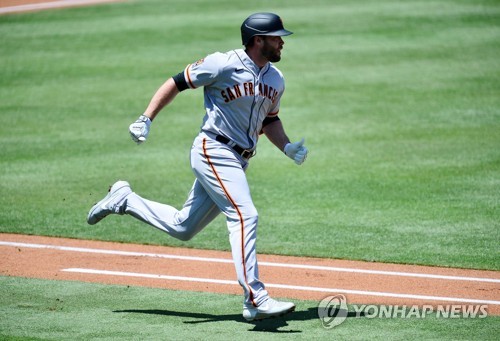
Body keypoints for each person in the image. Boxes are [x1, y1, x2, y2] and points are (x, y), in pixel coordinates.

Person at [87, 12, 308, 322]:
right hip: (213, 150)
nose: (282, 42)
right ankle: (255, 296)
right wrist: (146, 118)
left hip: (238, 160)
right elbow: (176, 82)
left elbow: (269, 120)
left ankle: (124, 199)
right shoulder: (222, 64)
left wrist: (285, 145)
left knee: (183, 227)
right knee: (245, 215)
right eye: (276, 37)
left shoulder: (275, 79)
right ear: (258, 41)